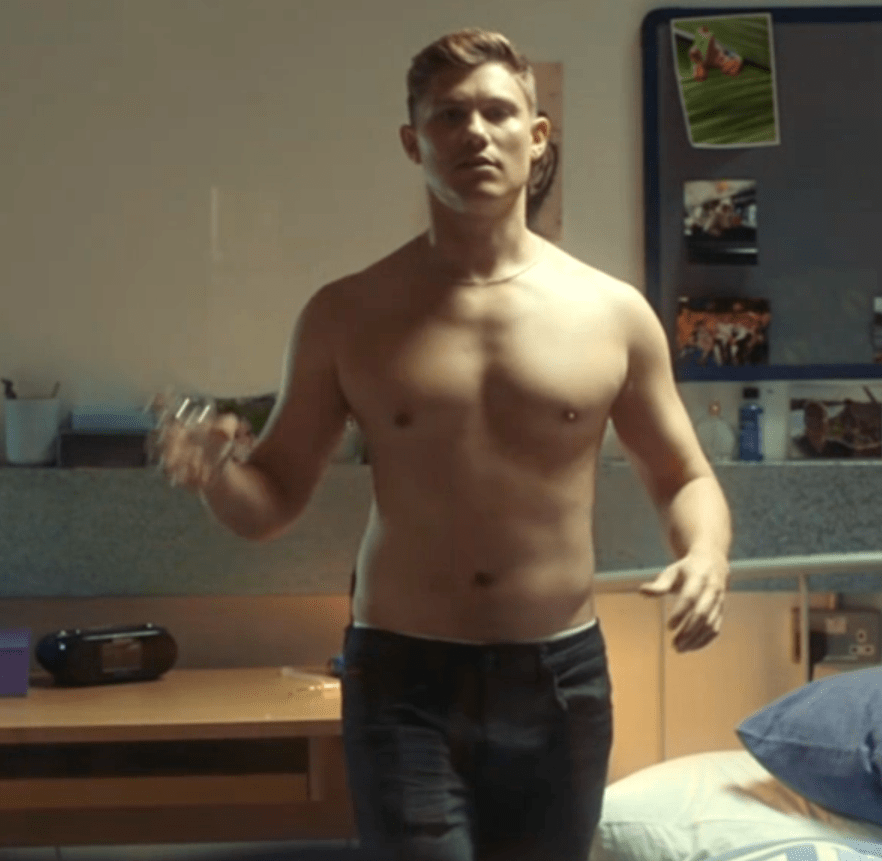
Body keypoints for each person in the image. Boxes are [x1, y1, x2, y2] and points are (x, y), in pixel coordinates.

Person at [159, 28, 732, 861]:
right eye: (449, 115)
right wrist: (216, 472)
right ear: (413, 141)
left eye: (499, 112)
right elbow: (271, 500)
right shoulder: (346, 314)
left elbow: (684, 474)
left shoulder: (611, 314)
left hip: (560, 682)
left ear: (538, 136)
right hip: (404, 681)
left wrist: (707, 553)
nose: (475, 133)